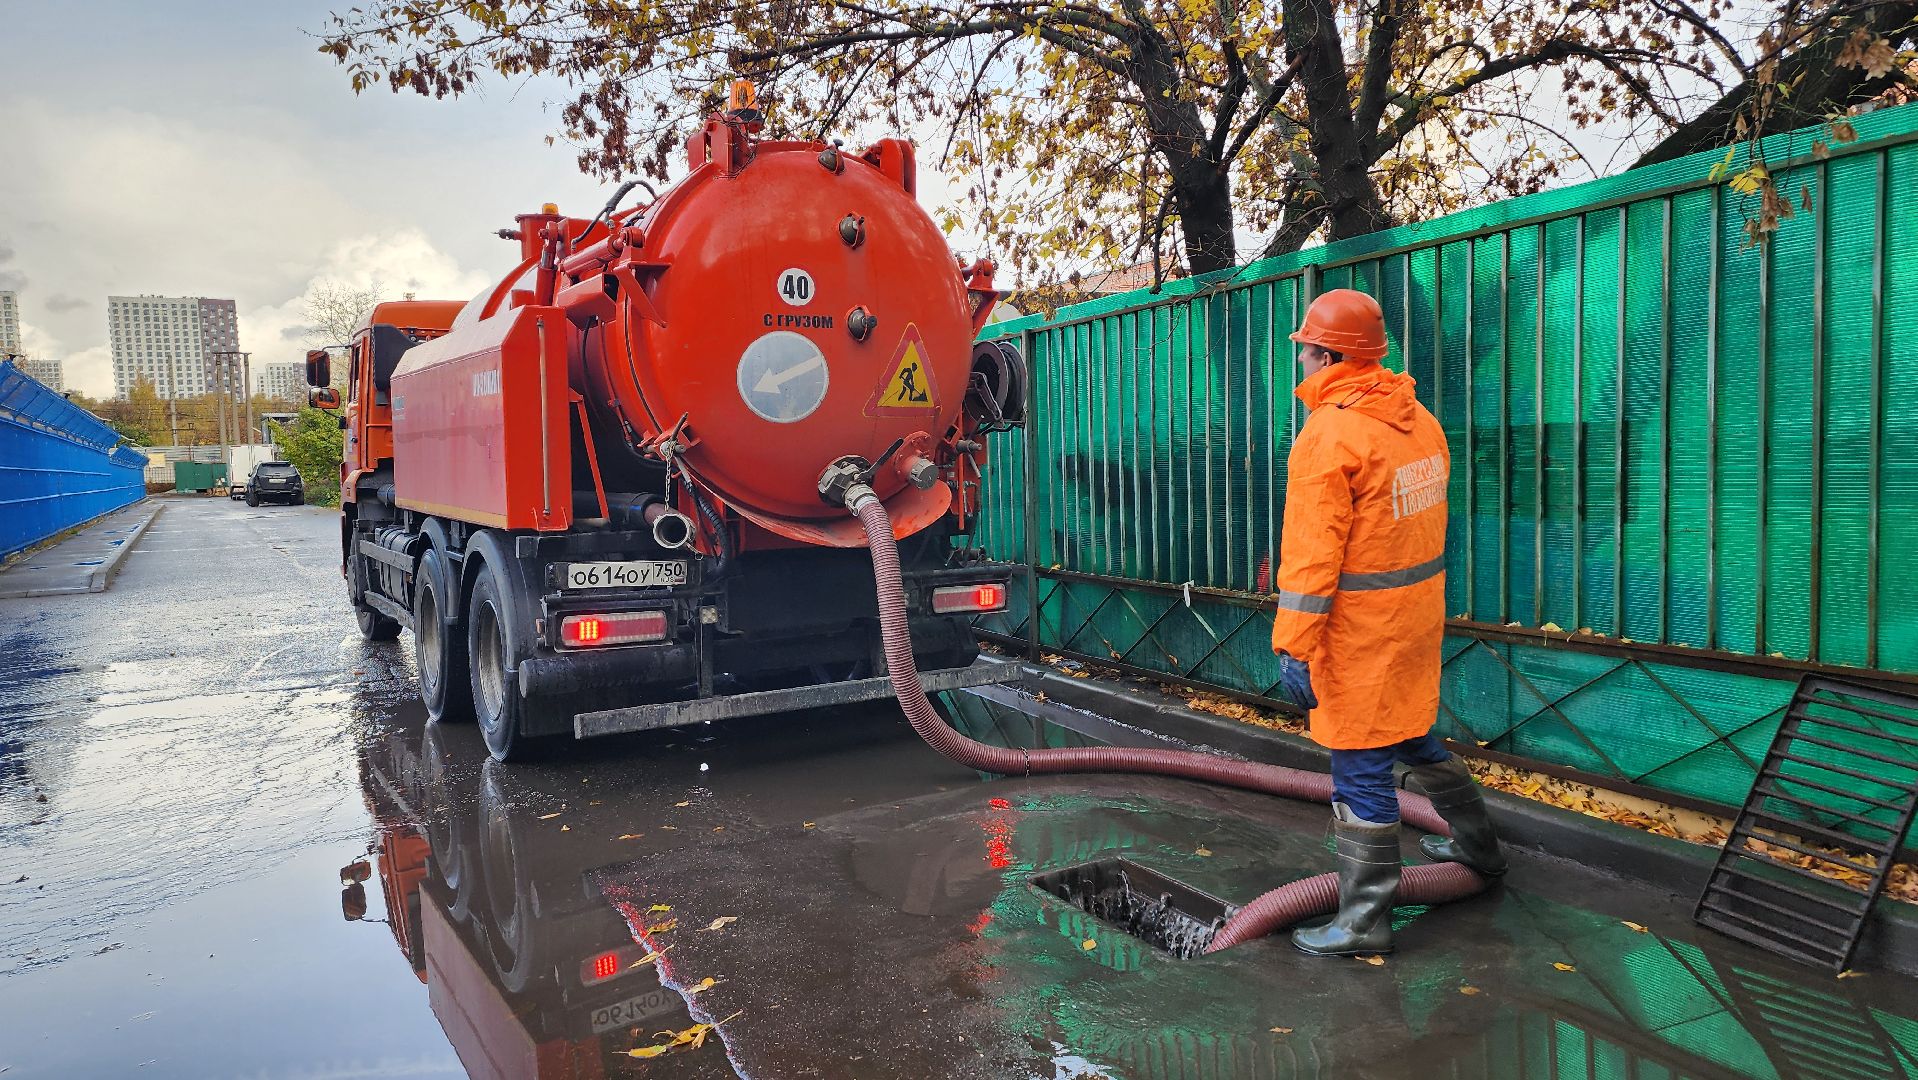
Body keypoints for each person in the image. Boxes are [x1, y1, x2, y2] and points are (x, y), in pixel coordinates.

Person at [1269, 288, 1506, 957]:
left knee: (1360, 767)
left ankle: (1363, 920)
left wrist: (1293, 646)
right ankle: (1481, 850)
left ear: (1328, 356)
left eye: (1306, 350)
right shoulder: (1417, 420)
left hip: (1360, 633)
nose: (1302, 360)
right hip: (1413, 620)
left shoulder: (1329, 436)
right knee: (1411, 733)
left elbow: (1312, 558)